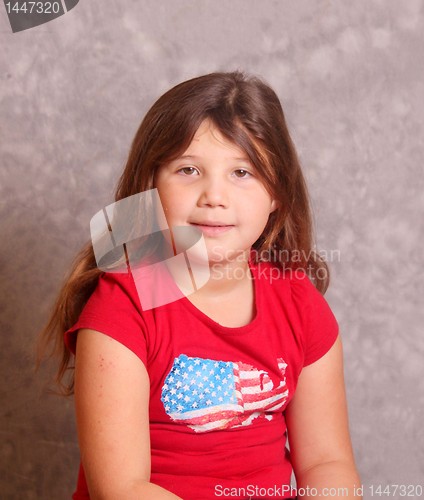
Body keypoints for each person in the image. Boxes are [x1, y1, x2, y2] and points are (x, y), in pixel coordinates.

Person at [39, 71, 361, 499]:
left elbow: (327, 461)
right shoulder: (123, 310)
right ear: (151, 186)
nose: (214, 195)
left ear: (277, 194)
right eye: (188, 169)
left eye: (242, 172)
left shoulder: (299, 303)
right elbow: (122, 488)